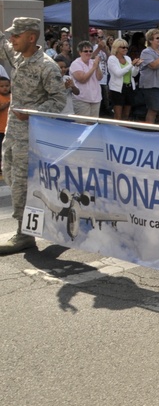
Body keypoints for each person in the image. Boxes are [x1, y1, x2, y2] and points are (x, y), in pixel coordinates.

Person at [0, 18, 67, 254]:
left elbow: (58, 100)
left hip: (30, 137)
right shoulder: (18, 56)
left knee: (20, 184)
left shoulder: (47, 66)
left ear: (31, 37)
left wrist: (32, 113)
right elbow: (1, 43)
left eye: (16, 36)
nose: (11, 40)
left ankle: (24, 234)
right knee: (10, 176)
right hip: (12, 135)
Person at [107, 38, 141, 121]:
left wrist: (136, 66)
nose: (125, 49)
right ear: (116, 48)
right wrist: (131, 65)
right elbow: (118, 73)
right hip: (117, 89)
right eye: (122, 47)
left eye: (126, 47)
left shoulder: (128, 58)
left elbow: (133, 74)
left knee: (126, 114)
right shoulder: (112, 59)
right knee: (118, 115)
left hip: (129, 87)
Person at [69, 41, 103, 118]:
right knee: (83, 125)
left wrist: (97, 66)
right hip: (81, 99)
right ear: (80, 52)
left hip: (96, 98)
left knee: (93, 125)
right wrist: (94, 67)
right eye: (86, 51)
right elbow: (82, 79)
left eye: (90, 51)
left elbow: (99, 77)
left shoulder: (93, 62)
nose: (88, 53)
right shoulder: (76, 64)